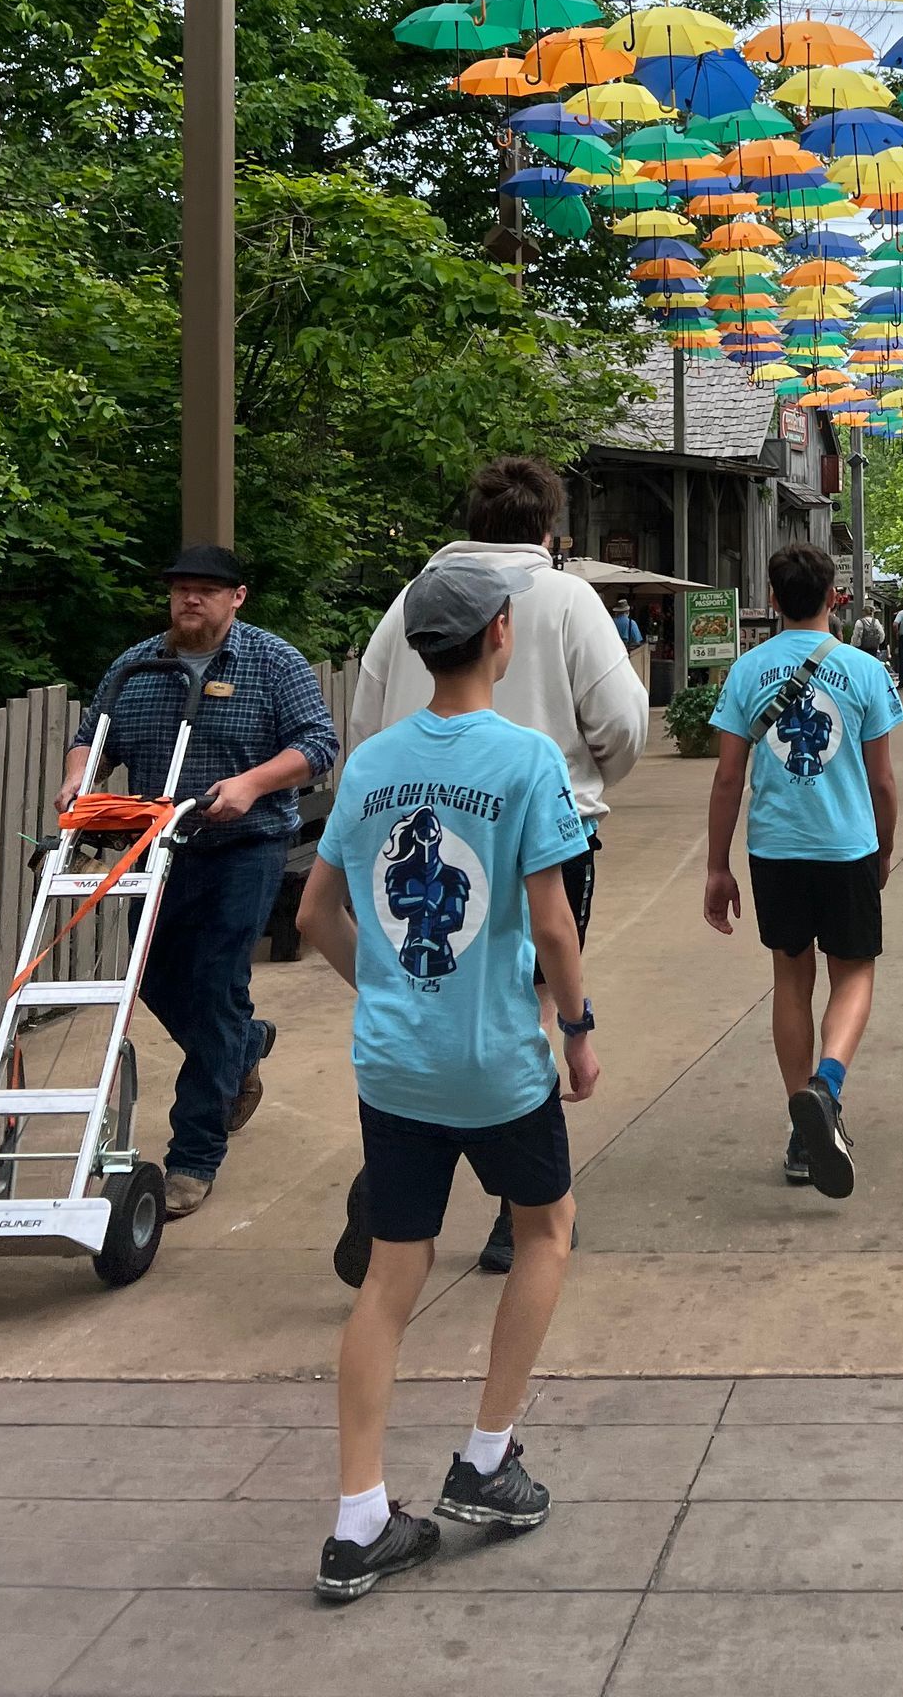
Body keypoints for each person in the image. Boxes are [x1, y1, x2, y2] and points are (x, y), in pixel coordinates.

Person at [299, 557, 598, 1602]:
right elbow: (553, 922)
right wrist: (579, 1029)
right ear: (502, 635)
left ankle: (357, 1518)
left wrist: (381, 988)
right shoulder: (525, 760)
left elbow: (314, 915)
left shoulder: (374, 763)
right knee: (546, 1227)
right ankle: (485, 1456)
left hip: (396, 1060)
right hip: (497, 1061)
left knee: (393, 1274)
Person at [347, 455, 647, 1275]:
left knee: (435, 984)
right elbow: (622, 720)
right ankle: (522, 1208)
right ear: (549, 527)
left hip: (419, 819)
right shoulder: (566, 598)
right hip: (546, 823)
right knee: (536, 1001)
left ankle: (397, 1171)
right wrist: (587, 779)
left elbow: (368, 719)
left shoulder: (410, 602)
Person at [58, 545, 339, 1220]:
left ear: (236, 598)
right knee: (150, 978)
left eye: (205, 591)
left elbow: (319, 743)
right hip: (158, 850)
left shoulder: (273, 662)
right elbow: (91, 734)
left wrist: (249, 784)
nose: (190, 601)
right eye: (181, 589)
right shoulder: (137, 666)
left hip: (246, 848)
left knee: (214, 984)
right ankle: (244, 1047)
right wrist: (78, 777)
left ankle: (193, 1154)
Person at [705, 544, 903, 1197]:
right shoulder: (865, 671)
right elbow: (883, 781)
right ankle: (828, 1086)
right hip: (846, 846)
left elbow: (729, 775)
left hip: (775, 849)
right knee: (854, 975)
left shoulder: (746, 671)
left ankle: (800, 1132)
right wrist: (885, 846)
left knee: (791, 980)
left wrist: (717, 866)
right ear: (832, 595)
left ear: (772, 594)